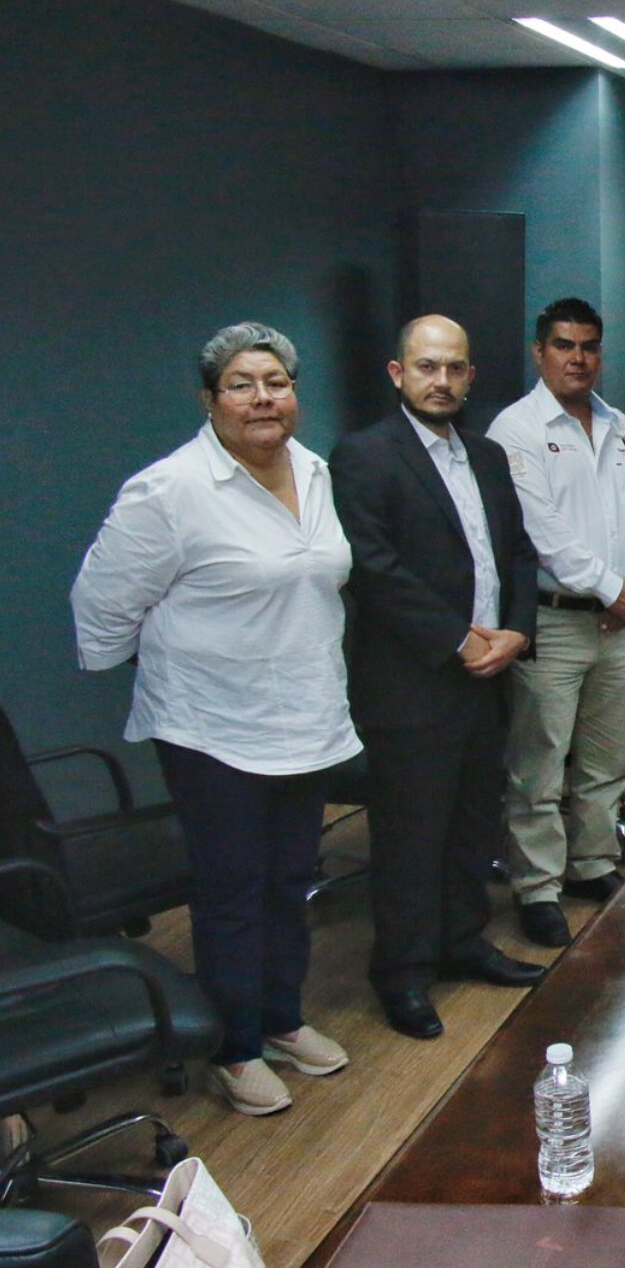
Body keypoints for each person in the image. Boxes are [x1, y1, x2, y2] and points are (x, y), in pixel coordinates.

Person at [72, 322, 361, 1114]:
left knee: (292, 879)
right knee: (233, 889)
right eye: (241, 384)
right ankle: (233, 1049)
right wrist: (179, 670)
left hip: (304, 717)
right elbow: (101, 608)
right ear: (210, 399)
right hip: (212, 731)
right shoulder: (169, 490)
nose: (263, 398)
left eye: (277, 382)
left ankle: (281, 1018)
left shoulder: (315, 470)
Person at [331, 315, 547, 1041]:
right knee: (410, 835)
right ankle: (402, 971)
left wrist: (518, 631)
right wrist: (457, 639)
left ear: (471, 376)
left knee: (472, 824)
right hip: (412, 680)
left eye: (455, 368)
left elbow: (519, 553)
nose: (442, 380)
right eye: (427, 367)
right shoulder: (363, 455)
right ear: (399, 374)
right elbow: (375, 569)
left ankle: (462, 941)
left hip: (489, 673)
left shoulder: (486, 455)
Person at [486, 298, 625, 948]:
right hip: (555, 620)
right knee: (539, 764)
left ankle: (591, 862)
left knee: (609, 757)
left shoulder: (622, 427)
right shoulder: (516, 429)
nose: (579, 358)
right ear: (540, 352)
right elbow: (542, 531)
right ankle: (537, 885)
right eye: (564, 345)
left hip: (621, 623)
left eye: (589, 346)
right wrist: (612, 588)